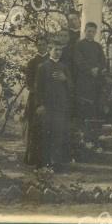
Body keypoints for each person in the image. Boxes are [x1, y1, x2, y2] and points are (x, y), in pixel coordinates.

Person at [31, 41, 73, 171]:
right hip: (46, 106)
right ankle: (43, 163)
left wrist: (64, 79)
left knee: (58, 134)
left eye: (60, 50)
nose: (58, 52)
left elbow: (71, 87)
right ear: (50, 50)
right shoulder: (43, 67)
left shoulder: (64, 67)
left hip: (60, 107)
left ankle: (55, 164)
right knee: (44, 134)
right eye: (56, 49)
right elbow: (38, 88)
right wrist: (40, 105)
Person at [72, 22, 107, 125]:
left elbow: (103, 61)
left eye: (93, 32)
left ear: (96, 33)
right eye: (89, 31)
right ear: (85, 31)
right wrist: (90, 70)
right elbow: (78, 61)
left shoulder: (98, 46)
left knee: (94, 107)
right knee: (83, 106)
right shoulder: (79, 45)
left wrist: (98, 69)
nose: (91, 33)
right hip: (83, 80)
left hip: (95, 81)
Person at [22, 36, 50, 167]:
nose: (41, 47)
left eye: (44, 44)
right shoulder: (32, 63)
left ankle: (46, 159)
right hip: (35, 99)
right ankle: (32, 158)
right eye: (39, 44)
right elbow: (29, 83)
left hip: (50, 100)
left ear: (47, 45)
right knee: (34, 128)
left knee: (48, 128)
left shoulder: (52, 61)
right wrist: (39, 99)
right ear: (36, 46)